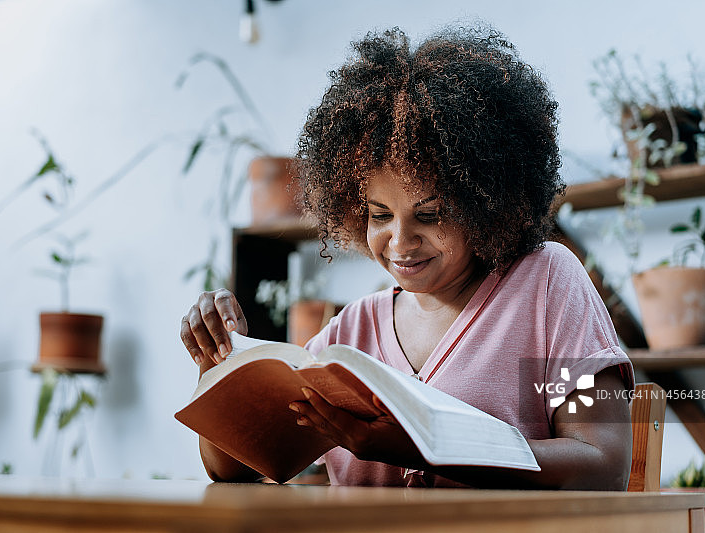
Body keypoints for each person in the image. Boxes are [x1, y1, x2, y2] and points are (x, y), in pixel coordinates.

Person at [180, 24, 634, 489]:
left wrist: (425, 447)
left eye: (430, 215)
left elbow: (602, 464)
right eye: (380, 215)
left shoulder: (545, 287)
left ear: (486, 203)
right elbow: (232, 468)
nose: (399, 242)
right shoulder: (351, 334)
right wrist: (220, 368)